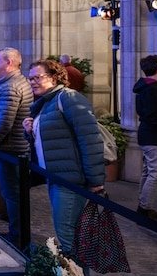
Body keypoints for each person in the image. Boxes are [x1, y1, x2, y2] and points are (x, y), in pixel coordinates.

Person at [22, 59, 104, 254]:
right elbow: (52, 138)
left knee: (68, 235)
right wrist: (30, 131)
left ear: (54, 77)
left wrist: (96, 180)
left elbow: (90, 139)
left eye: (37, 77)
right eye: (30, 78)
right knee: (67, 232)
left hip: (70, 179)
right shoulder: (45, 102)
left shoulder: (68, 98)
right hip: (56, 176)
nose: (33, 82)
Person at [0, 47, 34, 247]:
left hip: (9, 148)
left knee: (12, 194)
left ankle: (18, 236)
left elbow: (5, 121)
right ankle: (17, 232)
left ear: (9, 63)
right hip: (9, 147)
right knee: (12, 194)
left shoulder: (11, 87)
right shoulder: (10, 83)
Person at [133, 54, 157, 223]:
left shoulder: (145, 87)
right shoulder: (152, 89)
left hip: (147, 133)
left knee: (149, 171)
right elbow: (154, 115)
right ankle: (145, 208)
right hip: (154, 135)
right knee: (156, 173)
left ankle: (144, 205)